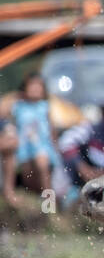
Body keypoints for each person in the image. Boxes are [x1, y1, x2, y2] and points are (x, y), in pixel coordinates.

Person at [8, 72, 60, 202]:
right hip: (24, 148)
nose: (35, 89)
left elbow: (52, 130)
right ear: (24, 88)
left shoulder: (44, 107)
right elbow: (11, 122)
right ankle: (38, 203)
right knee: (28, 176)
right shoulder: (18, 106)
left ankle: (49, 205)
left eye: (39, 86)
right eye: (32, 86)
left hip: (42, 146)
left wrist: (56, 149)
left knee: (42, 165)